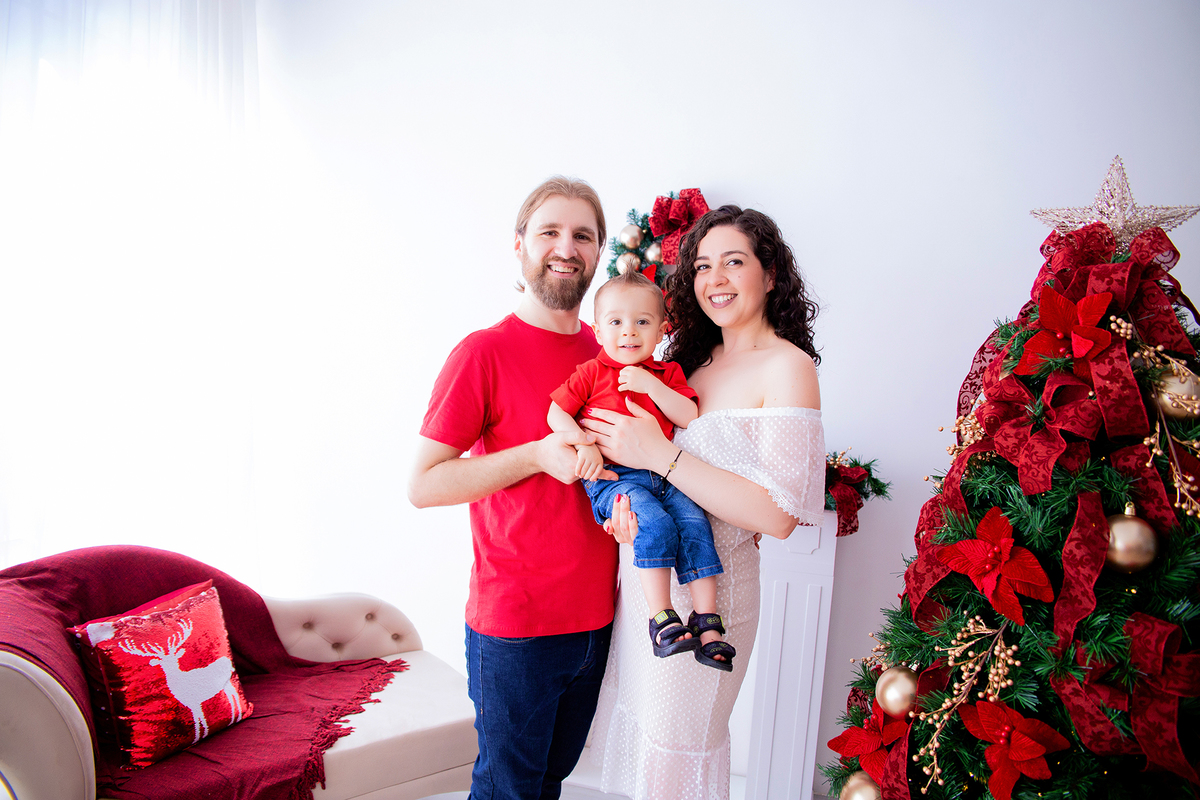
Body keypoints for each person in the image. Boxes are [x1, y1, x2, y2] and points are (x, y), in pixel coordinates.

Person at [583, 206, 826, 800]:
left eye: (733, 262)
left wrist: (659, 457)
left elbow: (779, 516)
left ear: (770, 274)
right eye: (701, 266)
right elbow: (650, 470)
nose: (714, 278)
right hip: (656, 585)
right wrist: (626, 513)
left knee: (679, 755)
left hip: (715, 599)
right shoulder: (690, 362)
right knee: (650, 747)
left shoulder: (788, 367)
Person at [407, 176, 620, 800]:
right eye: (549, 231)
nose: (565, 246)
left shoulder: (608, 349)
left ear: (598, 251)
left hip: (598, 619)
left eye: (582, 234)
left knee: (549, 784)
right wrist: (533, 455)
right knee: (508, 791)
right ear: (520, 246)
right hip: (516, 627)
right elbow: (422, 484)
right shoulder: (483, 353)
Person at [547, 271, 731, 670]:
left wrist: (652, 386)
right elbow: (555, 412)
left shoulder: (667, 375)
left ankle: (708, 623)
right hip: (616, 479)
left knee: (695, 524)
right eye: (615, 322)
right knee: (653, 525)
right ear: (597, 330)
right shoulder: (590, 373)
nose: (628, 332)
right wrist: (582, 444)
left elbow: (688, 413)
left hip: (666, 475)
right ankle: (661, 617)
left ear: (663, 329)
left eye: (642, 322)